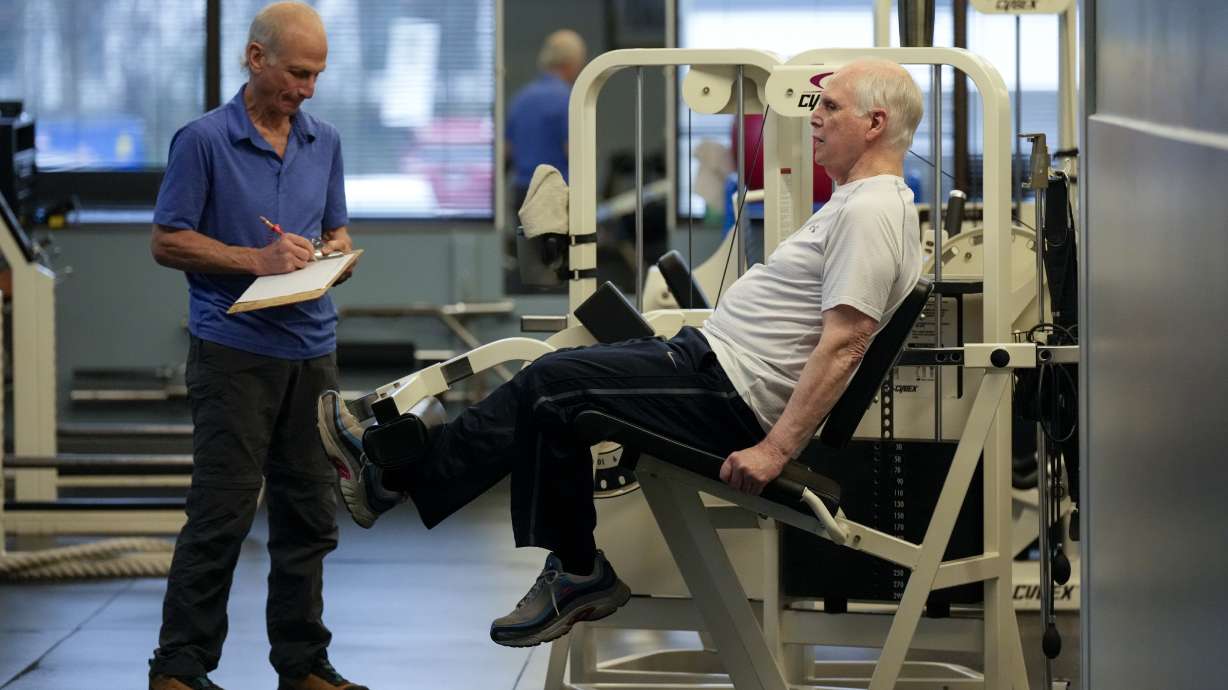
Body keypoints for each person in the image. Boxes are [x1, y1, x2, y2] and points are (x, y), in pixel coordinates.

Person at [320, 58, 924, 650]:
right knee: (552, 388)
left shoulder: (871, 210)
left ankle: (506, 534)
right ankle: (434, 498)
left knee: (554, 385)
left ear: (874, 123)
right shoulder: (857, 203)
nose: (814, 117)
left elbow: (846, 342)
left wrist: (774, 450)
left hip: (730, 395)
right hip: (708, 363)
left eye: (830, 106)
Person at [147, 3, 363, 689]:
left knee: (309, 513)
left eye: (317, 75)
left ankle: (303, 666)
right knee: (222, 512)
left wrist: (335, 254)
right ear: (255, 58)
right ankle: (179, 668)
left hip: (311, 351)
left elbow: (338, 231)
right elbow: (167, 240)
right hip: (233, 351)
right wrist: (257, 259)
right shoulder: (203, 141)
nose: (306, 88)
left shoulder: (323, 142)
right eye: (298, 72)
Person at [506, 29, 588, 212]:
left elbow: (507, 151)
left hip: (522, 193)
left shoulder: (521, 98)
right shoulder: (569, 99)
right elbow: (574, 153)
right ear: (572, 62)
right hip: (554, 197)